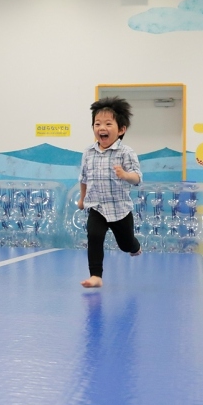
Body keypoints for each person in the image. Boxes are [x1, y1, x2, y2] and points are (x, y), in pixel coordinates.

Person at [77, 96, 143, 289]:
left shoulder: (126, 152)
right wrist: (82, 199)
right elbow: (84, 178)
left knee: (125, 244)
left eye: (108, 124)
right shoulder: (88, 152)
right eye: (97, 124)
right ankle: (96, 276)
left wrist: (125, 175)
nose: (101, 128)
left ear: (121, 130)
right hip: (96, 205)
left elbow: (137, 178)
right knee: (94, 236)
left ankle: (135, 246)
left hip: (119, 208)